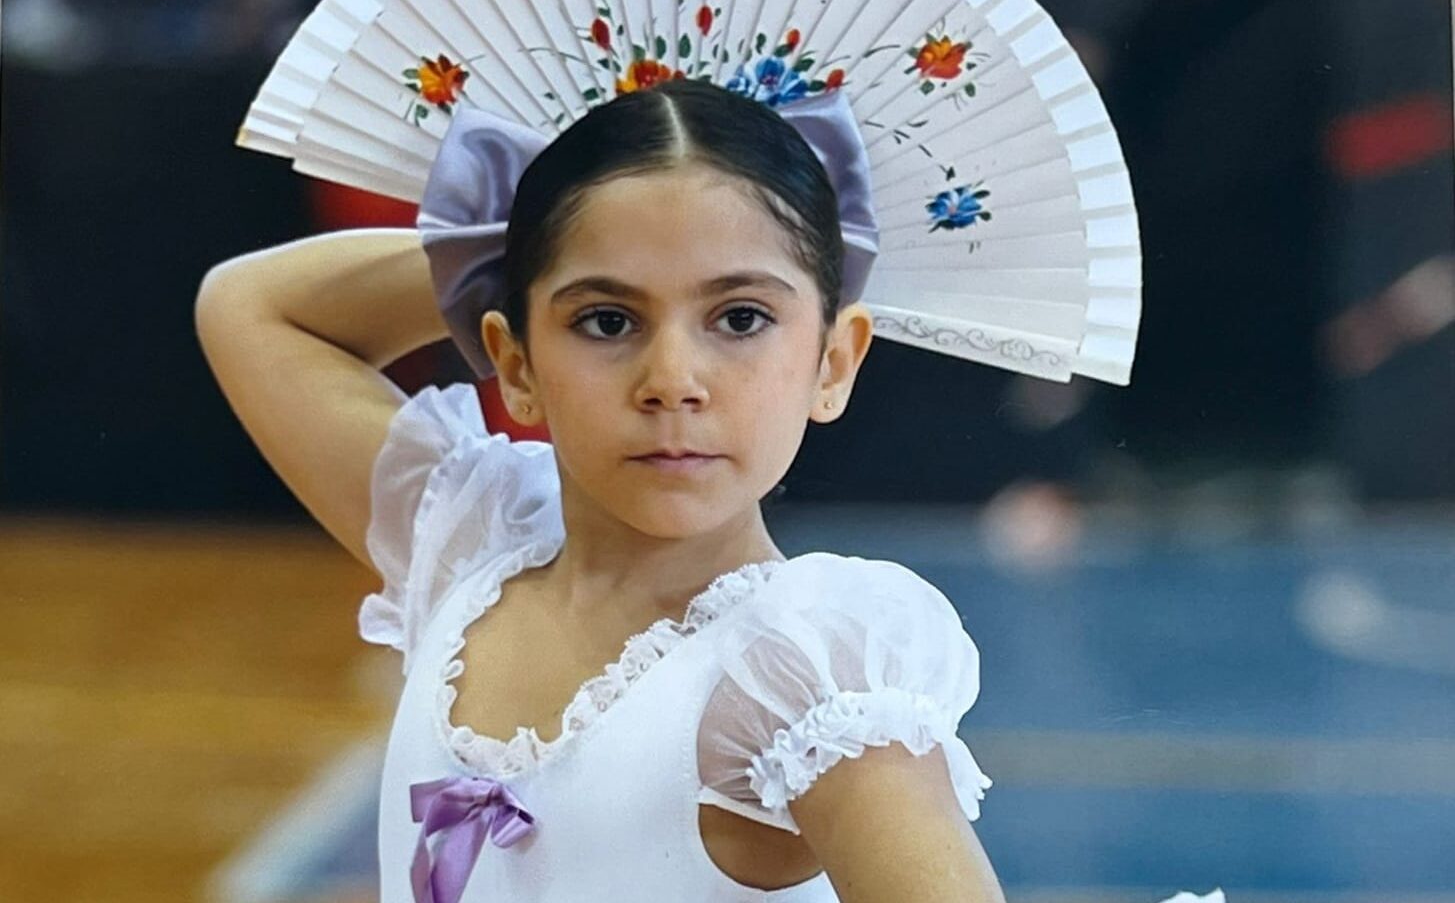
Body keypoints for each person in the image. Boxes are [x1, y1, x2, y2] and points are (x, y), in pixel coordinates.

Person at [196, 78, 1005, 901]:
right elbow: (249, 306)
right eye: (607, 320)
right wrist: (545, 237)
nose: (673, 381)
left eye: (740, 318)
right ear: (515, 365)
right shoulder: (469, 549)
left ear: (832, 363)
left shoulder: (804, 672)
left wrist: (595, 242)